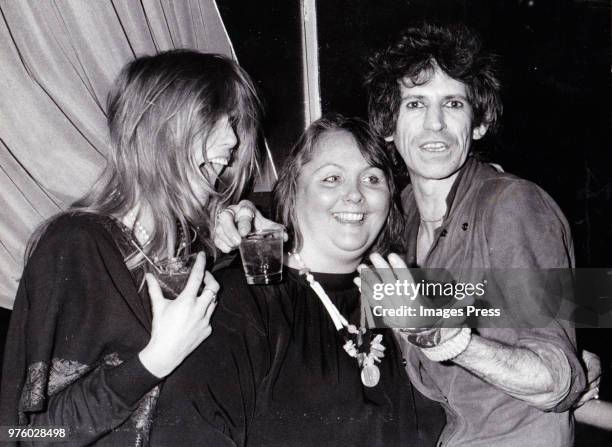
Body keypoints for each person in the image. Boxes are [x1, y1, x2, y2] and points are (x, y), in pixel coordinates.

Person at [0, 50, 263, 446]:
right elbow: (28, 435)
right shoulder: (75, 245)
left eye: (234, 123)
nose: (232, 140)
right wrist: (151, 363)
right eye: (215, 119)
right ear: (156, 130)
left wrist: (246, 212)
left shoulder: (194, 250)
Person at [150, 114, 445, 446]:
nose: (355, 195)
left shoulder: (407, 294)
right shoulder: (243, 299)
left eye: (373, 179)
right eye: (332, 178)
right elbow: (187, 433)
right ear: (292, 190)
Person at [360, 21, 587, 446]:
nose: (435, 125)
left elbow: (559, 378)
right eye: (414, 105)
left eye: (453, 104)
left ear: (478, 124)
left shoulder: (513, 206)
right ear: (388, 126)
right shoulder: (400, 212)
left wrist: (448, 338)